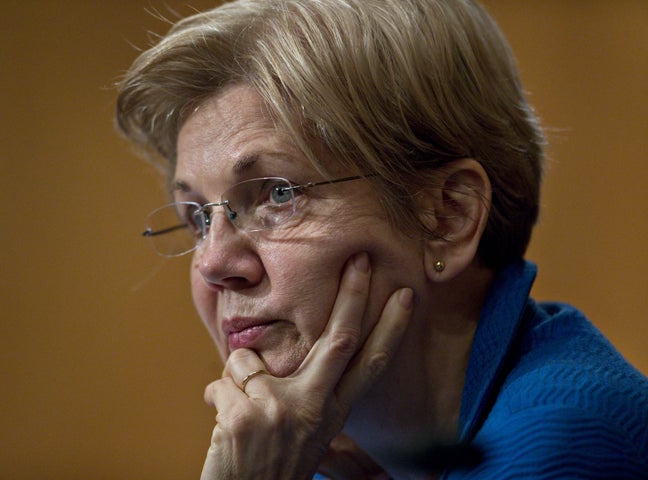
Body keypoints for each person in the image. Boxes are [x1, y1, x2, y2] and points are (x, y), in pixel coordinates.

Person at [116, 0, 648, 478]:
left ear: (447, 217)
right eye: (199, 217)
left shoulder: (566, 445)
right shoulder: (324, 455)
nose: (213, 261)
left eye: (278, 194)